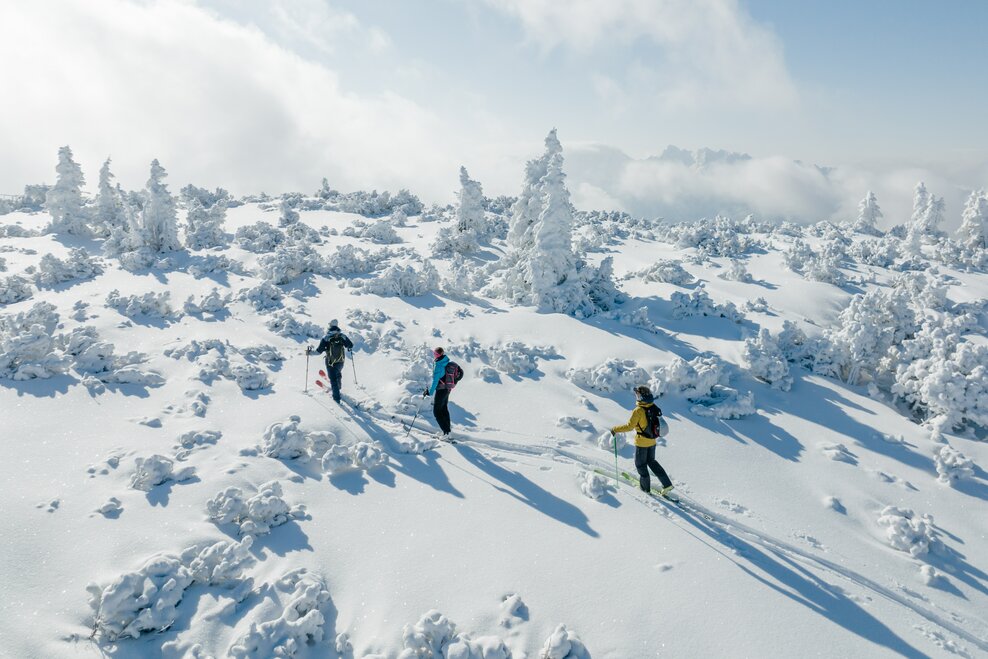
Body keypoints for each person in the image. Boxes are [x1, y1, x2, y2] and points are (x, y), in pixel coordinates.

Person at [610, 385, 674, 497]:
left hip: (641, 443)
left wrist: (615, 429)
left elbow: (630, 427)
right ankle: (667, 484)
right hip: (653, 441)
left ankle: (645, 490)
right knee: (652, 462)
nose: (636, 396)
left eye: (638, 394)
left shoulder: (638, 411)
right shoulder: (653, 406)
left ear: (641, 397)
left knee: (641, 465)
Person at [309, 319, 353, 403]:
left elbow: (318, 351)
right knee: (338, 373)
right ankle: (338, 387)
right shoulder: (342, 336)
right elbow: (350, 345)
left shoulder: (326, 338)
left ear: (330, 326)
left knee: (333, 379)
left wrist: (310, 353)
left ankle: (336, 398)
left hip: (330, 362)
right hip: (341, 360)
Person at [423, 347, 461, 439]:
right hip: (447, 389)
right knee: (444, 409)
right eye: (434, 353)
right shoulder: (445, 361)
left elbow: (435, 381)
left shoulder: (439, 365)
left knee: (437, 411)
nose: (434, 355)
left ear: (439, 355)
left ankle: (446, 433)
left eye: (435, 354)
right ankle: (447, 432)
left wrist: (429, 392)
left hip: (441, 390)